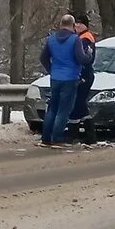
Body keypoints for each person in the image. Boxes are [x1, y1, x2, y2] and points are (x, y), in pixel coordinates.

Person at [38, 14, 93, 147]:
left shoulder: (51, 39)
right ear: (73, 26)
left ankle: (46, 138)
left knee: (52, 109)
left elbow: (43, 58)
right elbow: (81, 59)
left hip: (55, 78)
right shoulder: (75, 40)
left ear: (60, 24)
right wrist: (89, 54)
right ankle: (57, 138)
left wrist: (51, 70)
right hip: (70, 78)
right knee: (64, 110)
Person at [69, 12, 96, 125]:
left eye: (80, 23)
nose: (77, 25)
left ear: (86, 25)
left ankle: (73, 133)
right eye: (76, 23)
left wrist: (81, 75)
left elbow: (83, 58)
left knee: (77, 104)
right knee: (80, 105)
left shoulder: (85, 38)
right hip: (85, 74)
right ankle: (89, 135)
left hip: (84, 75)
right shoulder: (82, 37)